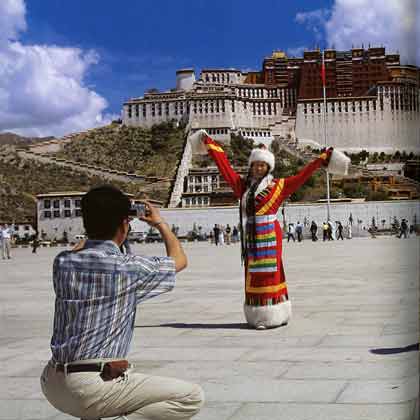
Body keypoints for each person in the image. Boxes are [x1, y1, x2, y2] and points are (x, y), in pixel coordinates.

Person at [40, 185, 204, 420]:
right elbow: (179, 260)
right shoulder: (128, 269)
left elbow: (84, 251)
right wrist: (160, 224)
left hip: (53, 383)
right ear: (124, 224)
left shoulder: (62, 262)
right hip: (90, 387)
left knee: (101, 394)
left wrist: (108, 228)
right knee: (190, 397)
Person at [190, 129, 334, 329]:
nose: (258, 168)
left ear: (268, 167)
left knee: (270, 272)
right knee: (253, 272)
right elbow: (225, 168)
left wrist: (320, 160)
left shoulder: (279, 186)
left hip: (270, 234)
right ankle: (259, 314)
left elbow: (302, 176)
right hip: (251, 235)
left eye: (262, 165)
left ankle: (275, 311)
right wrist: (210, 145)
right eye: (256, 165)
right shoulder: (243, 187)